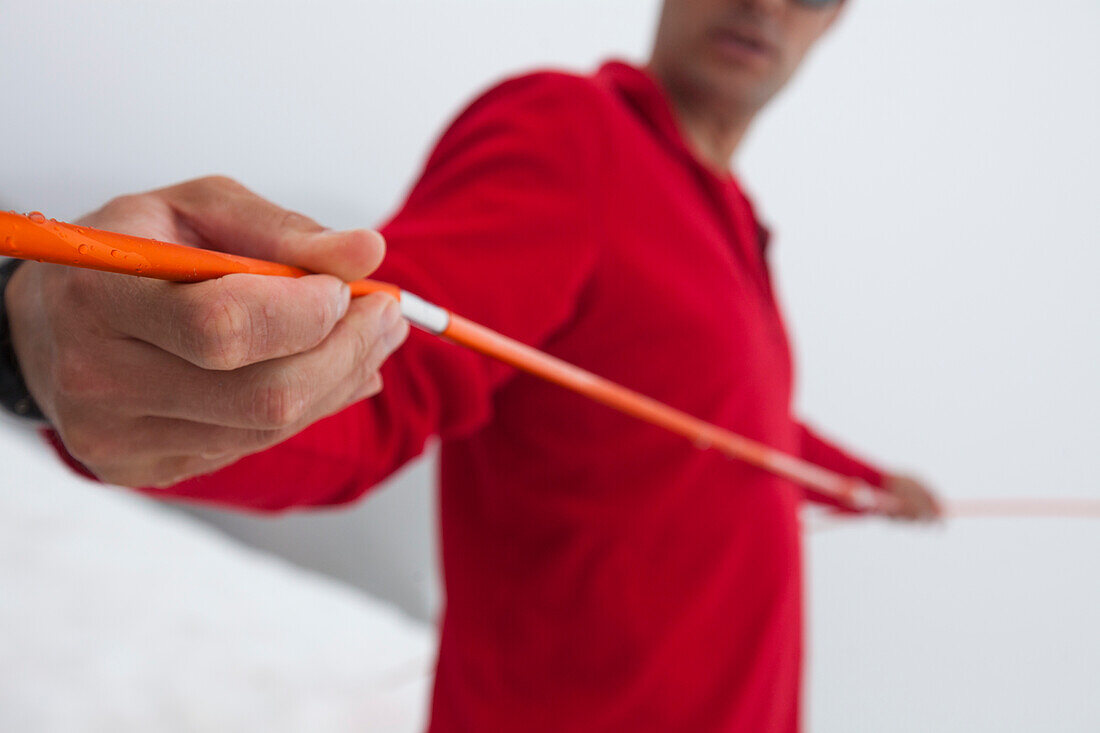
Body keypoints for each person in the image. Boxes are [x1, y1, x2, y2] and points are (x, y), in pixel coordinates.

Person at [4, 0, 941, 730]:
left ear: (834, 20)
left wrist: (866, 483)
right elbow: (382, 377)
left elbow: (753, 426)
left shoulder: (739, 232)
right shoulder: (572, 135)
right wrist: (63, 352)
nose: (765, 1)